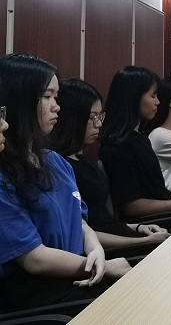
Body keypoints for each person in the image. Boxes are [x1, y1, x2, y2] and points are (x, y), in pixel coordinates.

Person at [0, 54, 130, 313]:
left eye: (56, 97)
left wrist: (96, 250)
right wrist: (97, 265)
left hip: (77, 275)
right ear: (20, 101)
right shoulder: (5, 173)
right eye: (47, 96)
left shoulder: (56, 161)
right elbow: (34, 259)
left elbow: (79, 222)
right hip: (37, 293)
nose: (56, 106)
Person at [47, 78, 170, 249]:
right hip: (109, 250)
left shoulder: (81, 160)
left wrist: (138, 228)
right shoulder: (58, 166)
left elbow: (104, 221)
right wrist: (140, 242)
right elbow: (81, 233)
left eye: (100, 116)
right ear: (72, 118)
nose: (98, 124)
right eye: (92, 117)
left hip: (122, 238)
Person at [99, 66, 171, 220]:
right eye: (153, 96)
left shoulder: (138, 138)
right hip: (157, 223)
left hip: (168, 214)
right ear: (134, 97)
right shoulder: (119, 146)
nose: (158, 102)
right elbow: (131, 207)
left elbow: (157, 193)